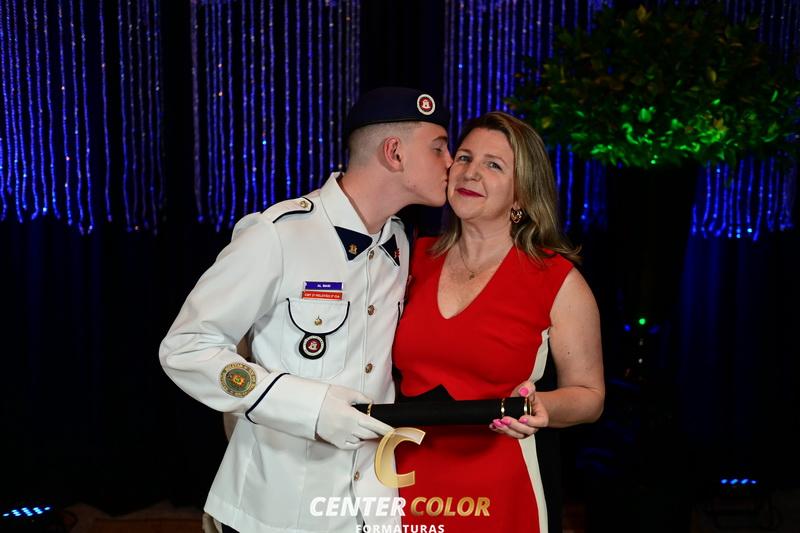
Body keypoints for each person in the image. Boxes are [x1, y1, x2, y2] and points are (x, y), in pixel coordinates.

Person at [159, 87, 452, 533]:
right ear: (394, 153)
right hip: (274, 510)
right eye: (438, 148)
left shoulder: (398, 242)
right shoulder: (278, 235)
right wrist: (309, 408)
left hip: (370, 507)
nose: (451, 162)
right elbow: (186, 347)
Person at [392, 111, 604, 533]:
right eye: (465, 157)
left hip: (500, 491)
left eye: (493, 165)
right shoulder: (409, 259)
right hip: (402, 480)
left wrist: (544, 407)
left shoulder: (556, 279)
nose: (470, 172)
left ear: (521, 194)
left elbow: (590, 396)